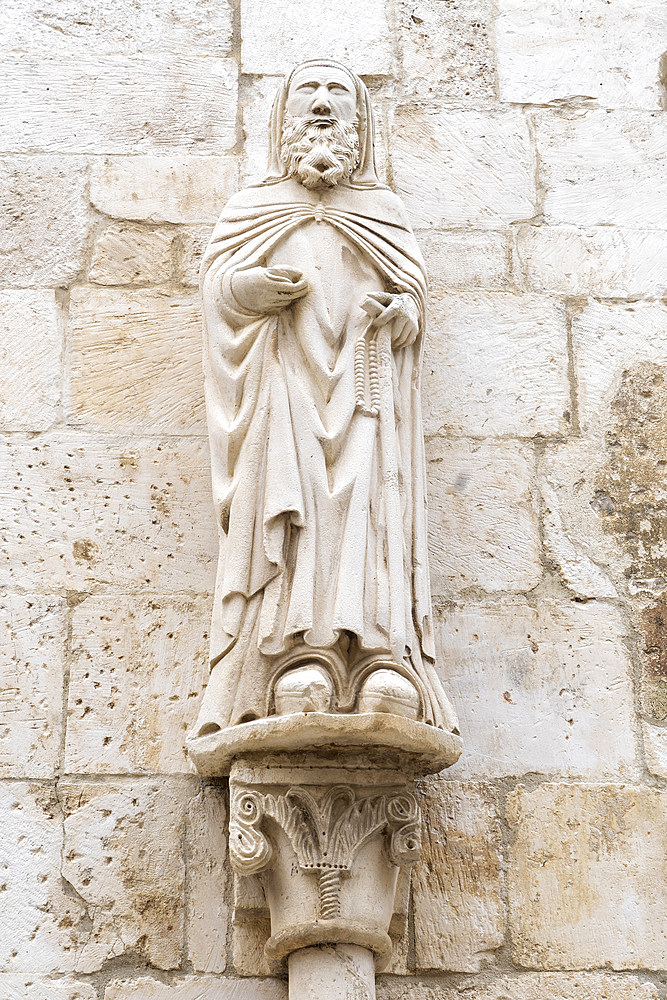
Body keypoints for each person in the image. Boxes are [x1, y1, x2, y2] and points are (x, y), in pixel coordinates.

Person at [193, 59, 458, 737]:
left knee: (373, 512)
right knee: (299, 509)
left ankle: (380, 658)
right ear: (284, 117)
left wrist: (400, 313)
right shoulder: (255, 209)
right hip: (286, 397)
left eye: (336, 92)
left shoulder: (383, 213)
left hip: (369, 403)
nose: (320, 103)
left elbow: (413, 299)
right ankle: (297, 657)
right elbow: (220, 290)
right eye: (306, 91)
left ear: (359, 124)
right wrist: (246, 292)